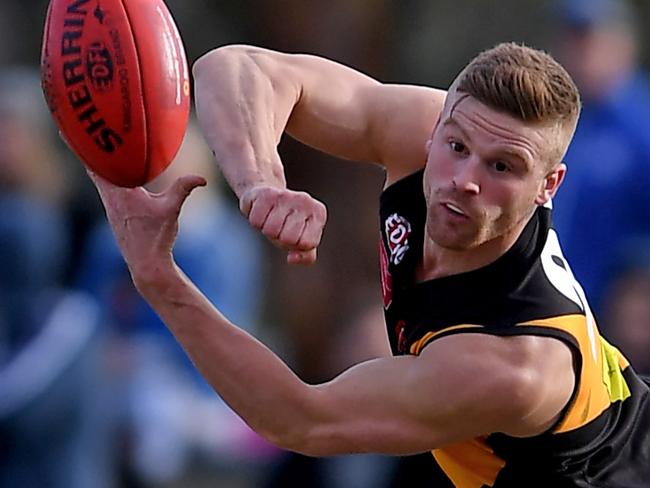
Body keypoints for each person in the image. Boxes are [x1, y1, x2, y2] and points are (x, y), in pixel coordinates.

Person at [86, 42, 650, 487]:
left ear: (548, 186)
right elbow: (235, 68)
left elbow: (299, 419)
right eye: (455, 147)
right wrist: (259, 182)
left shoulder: (513, 365)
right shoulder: (427, 132)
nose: (464, 179)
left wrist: (158, 277)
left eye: (503, 167)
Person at [550, 0, 650, 313]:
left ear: (624, 44)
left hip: (611, 316)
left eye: (589, 38)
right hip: (550, 305)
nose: (579, 52)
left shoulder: (640, 125)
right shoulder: (558, 119)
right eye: (571, 38)